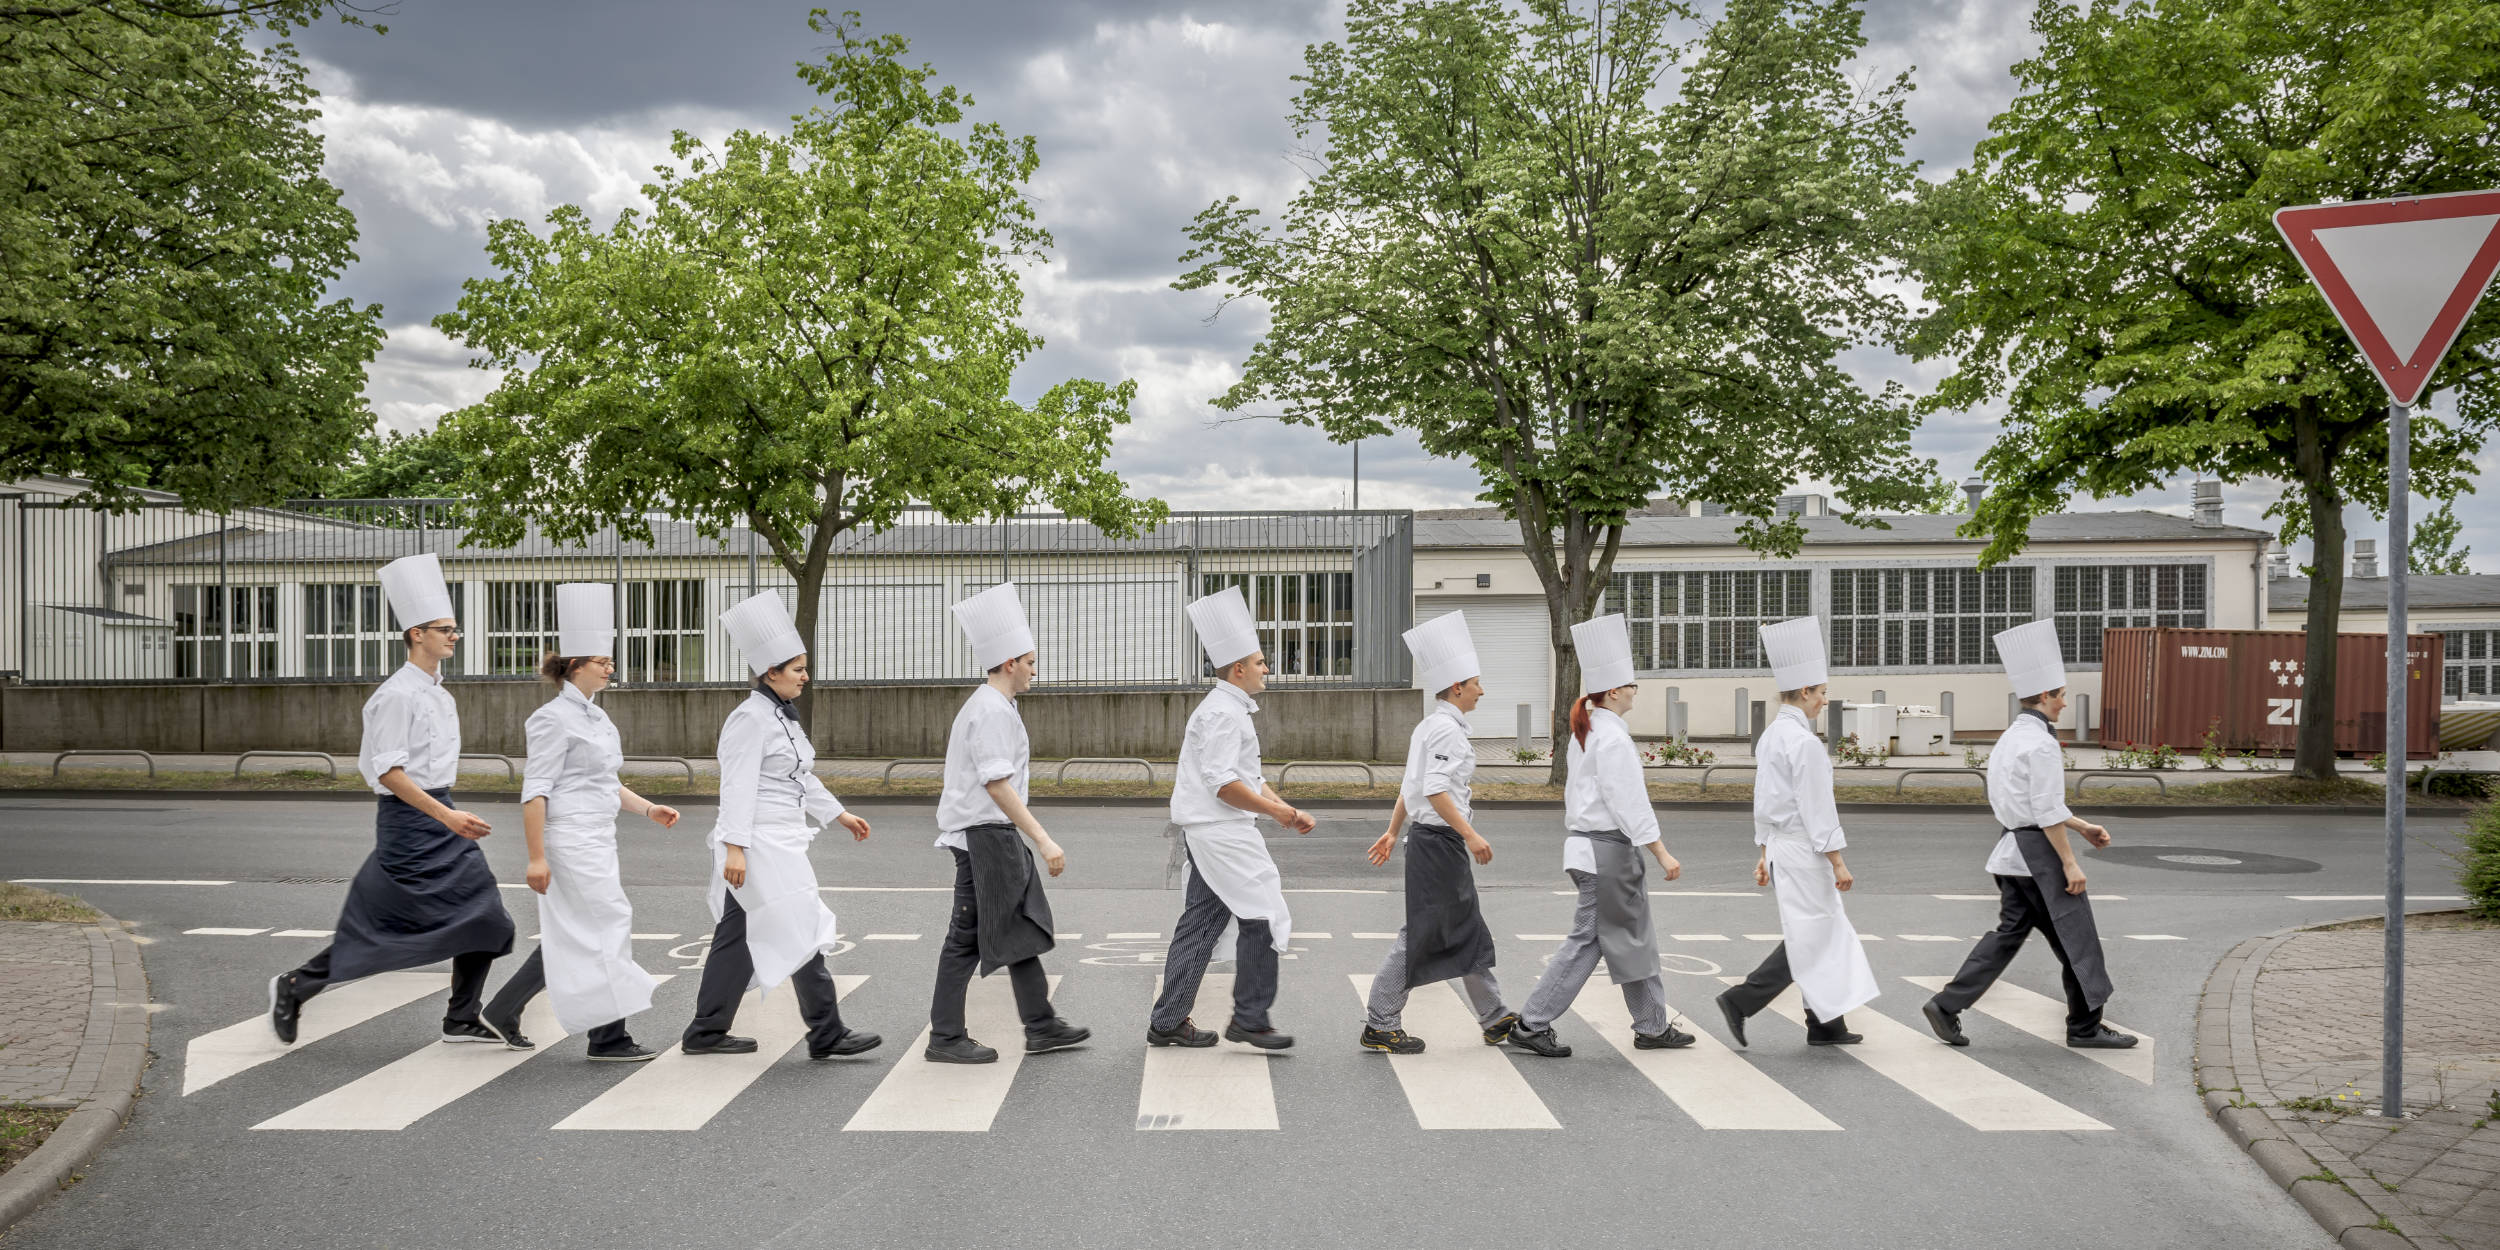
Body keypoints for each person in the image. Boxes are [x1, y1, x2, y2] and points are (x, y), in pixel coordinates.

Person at [268, 553, 518, 1045]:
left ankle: (461, 1017)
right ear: (415, 634)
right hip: (412, 822)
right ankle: (296, 985)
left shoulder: (440, 694)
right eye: (443, 629)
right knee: (383, 929)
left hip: (443, 816)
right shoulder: (396, 695)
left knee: (488, 921)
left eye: (455, 629)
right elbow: (390, 773)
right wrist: (447, 815)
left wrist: (448, 813)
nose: (453, 636)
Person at [469, 584, 679, 1061]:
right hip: (569, 840)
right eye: (602, 661)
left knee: (582, 933)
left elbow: (605, 783)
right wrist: (537, 856)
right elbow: (535, 791)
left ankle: (503, 1009)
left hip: (598, 837)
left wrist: (647, 808)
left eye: (610, 661)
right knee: (606, 927)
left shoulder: (598, 719)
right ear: (576, 664)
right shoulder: (551, 719)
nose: (610, 667)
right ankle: (608, 1038)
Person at [680, 591, 881, 1061]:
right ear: (771, 673)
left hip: (782, 837)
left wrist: (838, 813)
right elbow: (738, 787)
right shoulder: (749, 719)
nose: (806, 677)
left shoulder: (780, 718)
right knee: (801, 926)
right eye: (798, 669)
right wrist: (734, 847)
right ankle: (826, 1031)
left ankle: (706, 1030)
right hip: (762, 842)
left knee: (738, 936)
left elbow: (797, 777)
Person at [1921, 620, 2136, 1051]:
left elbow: (2030, 806)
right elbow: (2044, 809)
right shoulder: (2041, 745)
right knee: (2078, 939)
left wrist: (2082, 825)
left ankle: (1947, 1004)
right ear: (2043, 696)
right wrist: (2070, 862)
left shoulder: (2010, 738)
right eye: (2060, 695)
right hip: (2039, 855)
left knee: (2007, 936)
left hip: (2011, 851)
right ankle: (2085, 1027)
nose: (2064, 703)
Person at [1508, 613, 1692, 1057]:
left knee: (1630, 936)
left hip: (1591, 850)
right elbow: (1629, 801)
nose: (1635, 690)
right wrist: (1662, 852)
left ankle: (1651, 1023)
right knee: (1594, 939)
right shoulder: (1612, 739)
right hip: (1606, 852)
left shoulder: (1590, 731)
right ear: (1614, 691)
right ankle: (1533, 1022)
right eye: (1631, 684)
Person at [926, 582, 1088, 1064]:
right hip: (984, 837)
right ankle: (946, 1038)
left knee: (1017, 925)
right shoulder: (990, 710)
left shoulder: (996, 706)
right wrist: (1042, 839)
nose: (1035, 671)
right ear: (1010, 662)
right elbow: (998, 785)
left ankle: (1041, 1025)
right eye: (1031, 661)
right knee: (966, 939)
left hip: (991, 835)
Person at [1148, 585, 1313, 1051]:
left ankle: (1168, 1020)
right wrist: (1280, 811)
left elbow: (1249, 779)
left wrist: (1283, 810)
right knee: (1264, 912)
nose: (1267, 668)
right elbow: (1224, 784)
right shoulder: (1223, 714)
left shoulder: (1228, 709)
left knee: (1201, 923)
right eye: (1260, 662)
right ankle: (1250, 1017)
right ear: (1238, 669)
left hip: (1213, 831)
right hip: (1221, 832)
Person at [1360, 611, 1526, 1055]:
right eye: (1476, 683)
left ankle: (1494, 1017)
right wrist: (1470, 834)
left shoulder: (1430, 727)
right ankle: (1380, 1021)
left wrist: (1394, 832)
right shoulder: (1446, 732)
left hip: (1429, 842)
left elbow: (1411, 788)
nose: (1482, 690)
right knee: (1421, 934)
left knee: (1464, 928)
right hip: (1439, 845)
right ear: (1457, 688)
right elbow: (1432, 790)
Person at [1715, 616, 1878, 1049]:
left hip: (1783, 847)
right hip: (1805, 849)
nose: (1825, 700)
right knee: (1817, 932)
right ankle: (1744, 999)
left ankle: (1825, 1024)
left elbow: (1765, 799)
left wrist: (1764, 851)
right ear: (1805, 691)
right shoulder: (1804, 743)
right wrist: (1837, 859)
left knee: (1816, 930)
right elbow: (1816, 807)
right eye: (1822, 692)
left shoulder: (1772, 735)